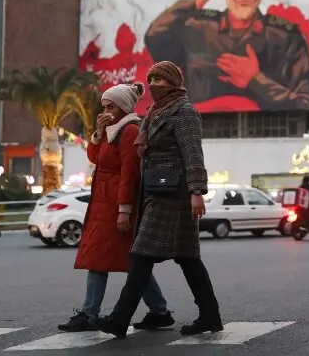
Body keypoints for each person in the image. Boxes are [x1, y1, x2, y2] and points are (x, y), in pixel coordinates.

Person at [91, 61, 223, 339]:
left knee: (140, 256)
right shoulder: (153, 112)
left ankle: (119, 318)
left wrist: (197, 192)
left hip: (173, 195)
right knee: (188, 259)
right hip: (156, 192)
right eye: (151, 78)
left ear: (174, 82)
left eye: (160, 79)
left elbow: (193, 154)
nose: (154, 84)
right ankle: (210, 315)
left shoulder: (184, 112)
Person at [144, 0, 309, 111]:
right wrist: (196, 1)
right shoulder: (197, 28)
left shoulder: (286, 38)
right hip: (199, 134)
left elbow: (307, 104)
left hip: (266, 135)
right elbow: (154, 36)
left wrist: (256, 81)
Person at [58, 82, 174, 332]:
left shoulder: (130, 131)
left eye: (111, 106)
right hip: (103, 204)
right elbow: (95, 158)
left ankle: (90, 313)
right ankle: (159, 310)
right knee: (131, 262)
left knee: (100, 259)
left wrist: (124, 210)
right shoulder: (112, 130)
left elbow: (129, 174)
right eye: (104, 106)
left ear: (123, 107)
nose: (106, 110)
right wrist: (98, 132)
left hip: (115, 206)